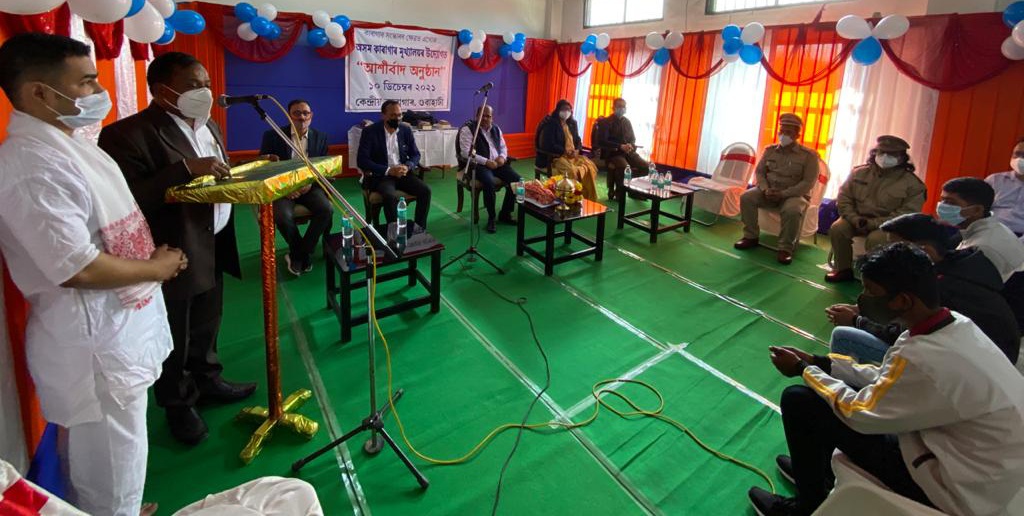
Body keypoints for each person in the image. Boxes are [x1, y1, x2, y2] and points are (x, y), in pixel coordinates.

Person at [0, 33, 187, 515]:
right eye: (85, 83)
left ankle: (119, 505)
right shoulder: (31, 165)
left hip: (116, 326)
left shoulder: (65, 143)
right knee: (108, 455)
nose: (95, 92)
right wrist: (156, 267)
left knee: (116, 452)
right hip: (93, 342)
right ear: (39, 92)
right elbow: (76, 267)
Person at [751, 242, 1024, 516]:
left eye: (870, 291)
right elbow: (888, 378)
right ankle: (815, 472)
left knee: (800, 401)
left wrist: (803, 370)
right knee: (827, 398)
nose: (862, 298)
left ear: (904, 300)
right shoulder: (953, 324)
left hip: (956, 488)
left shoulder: (925, 357)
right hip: (986, 470)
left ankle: (807, 505)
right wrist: (821, 363)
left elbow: (859, 414)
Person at [98, 51, 258, 446]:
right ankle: (177, 402)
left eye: (206, 83)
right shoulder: (128, 134)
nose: (204, 91)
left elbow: (218, 175)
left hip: (216, 238)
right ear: (161, 90)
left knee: (208, 318)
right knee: (176, 329)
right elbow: (129, 200)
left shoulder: (210, 127)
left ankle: (207, 379)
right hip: (174, 249)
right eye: (193, 85)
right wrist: (185, 169)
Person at [825, 213, 1019, 365]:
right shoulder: (960, 264)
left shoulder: (939, 288)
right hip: (987, 357)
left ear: (924, 251)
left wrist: (856, 320)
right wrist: (865, 310)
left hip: (963, 369)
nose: (888, 252)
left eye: (895, 246)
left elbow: (902, 334)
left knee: (843, 336)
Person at [826, 135, 926, 283]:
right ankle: (842, 269)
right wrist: (854, 218)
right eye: (881, 152)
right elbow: (844, 198)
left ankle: (873, 278)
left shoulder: (913, 184)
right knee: (837, 229)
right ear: (875, 153)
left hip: (887, 226)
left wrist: (873, 224)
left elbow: (906, 214)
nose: (885, 157)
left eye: (891, 154)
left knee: (875, 239)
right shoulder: (858, 173)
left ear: (902, 158)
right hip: (856, 218)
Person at [258, 98, 333, 275]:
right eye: (297, 113)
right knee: (282, 216)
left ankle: (299, 254)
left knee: (326, 210)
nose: (302, 117)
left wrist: (309, 184)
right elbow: (264, 168)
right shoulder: (273, 135)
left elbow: (323, 167)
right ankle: (302, 253)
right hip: (282, 188)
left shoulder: (320, 137)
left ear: (311, 116)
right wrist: (286, 188)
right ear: (289, 116)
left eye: (305, 113)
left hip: (309, 186)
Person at [734, 113, 820, 265]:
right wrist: (765, 188)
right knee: (747, 197)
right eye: (782, 131)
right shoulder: (770, 150)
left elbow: (808, 183)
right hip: (769, 191)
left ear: (797, 134)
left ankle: (785, 248)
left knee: (792, 210)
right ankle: (751, 236)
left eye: (789, 132)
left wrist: (783, 194)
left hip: (793, 194)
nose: (784, 135)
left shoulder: (809, 156)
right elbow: (760, 172)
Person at [356, 100, 432, 229]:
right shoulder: (370, 132)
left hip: (403, 173)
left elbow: (415, 154)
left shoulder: (405, 130)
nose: (397, 118)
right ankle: (394, 231)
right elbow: (362, 160)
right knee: (390, 196)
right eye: (392, 115)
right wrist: (388, 170)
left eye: (399, 115)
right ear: (383, 115)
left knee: (425, 191)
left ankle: (420, 229)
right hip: (382, 176)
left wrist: (407, 166)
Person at [937, 177, 1024, 282]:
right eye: (942, 200)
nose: (942, 206)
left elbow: (964, 288)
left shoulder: (982, 248)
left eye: (951, 203)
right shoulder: (991, 228)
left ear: (977, 210)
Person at [458, 105, 521, 233]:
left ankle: (505, 213)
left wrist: (502, 157)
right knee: (489, 182)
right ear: (477, 116)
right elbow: (465, 152)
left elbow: (503, 147)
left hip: (498, 164)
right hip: (479, 165)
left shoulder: (496, 129)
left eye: (489, 116)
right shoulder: (468, 130)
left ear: (492, 117)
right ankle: (491, 218)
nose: (486, 118)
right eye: (483, 116)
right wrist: (486, 162)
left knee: (517, 180)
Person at [536, 99, 598, 201]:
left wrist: (577, 150)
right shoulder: (551, 124)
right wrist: (564, 151)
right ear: (558, 110)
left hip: (573, 156)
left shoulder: (572, 123)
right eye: (564, 109)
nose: (566, 112)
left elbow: (578, 140)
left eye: (569, 109)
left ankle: (585, 197)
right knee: (572, 171)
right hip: (556, 157)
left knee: (590, 166)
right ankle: (569, 197)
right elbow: (548, 145)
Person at [596, 98, 649, 201]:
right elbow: (602, 141)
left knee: (645, 166)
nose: (622, 108)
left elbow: (633, 139)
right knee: (625, 167)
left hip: (628, 152)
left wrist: (630, 145)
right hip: (613, 153)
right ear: (613, 108)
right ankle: (619, 192)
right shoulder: (606, 122)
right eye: (619, 106)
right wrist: (620, 146)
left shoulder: (627, 122)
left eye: (623, 106)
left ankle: (634, 191)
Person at [985, 137, 1024, 236]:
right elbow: (978, 209)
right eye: (1017, 154)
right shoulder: (994, 180)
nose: (1020, 159)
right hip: (988, 231)